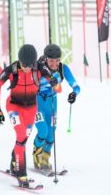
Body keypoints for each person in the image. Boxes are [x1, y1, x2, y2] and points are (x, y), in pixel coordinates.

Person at [0, 44, 54, 187]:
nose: (26, 68)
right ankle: (21, 174)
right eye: (23, 64)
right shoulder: (12, 69)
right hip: (14, 106)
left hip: (31, 109)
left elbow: (57, 87)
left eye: (29, 65)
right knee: (21, 135)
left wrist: (55, 83)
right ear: (19, 60)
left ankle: (15, 159)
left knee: (23, 138)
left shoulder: (40, 67)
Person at [33, 44, 80, 172]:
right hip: (37, 102)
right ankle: (36, 155)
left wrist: (74, 94)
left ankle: (45, 157)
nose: (54, 64)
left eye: (57, 60)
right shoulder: (39, 68)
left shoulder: (62, 69)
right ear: (46, 59)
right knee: (43, 130)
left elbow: (76, 86)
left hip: (52, 102)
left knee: (51, 133)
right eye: (51, 61)